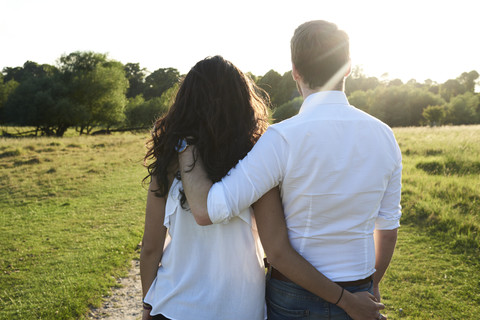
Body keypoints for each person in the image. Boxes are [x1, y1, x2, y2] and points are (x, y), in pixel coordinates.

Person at [178, 21, 401, 320]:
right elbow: (387, 229)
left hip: (294, 298)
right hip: (359, 291)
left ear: (295, 70)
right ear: (348, 67)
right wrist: (367, 289)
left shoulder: (282, 138)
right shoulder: (385, 135)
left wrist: (184, 146)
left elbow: (208, 210)